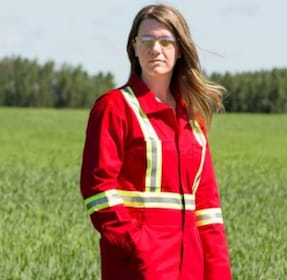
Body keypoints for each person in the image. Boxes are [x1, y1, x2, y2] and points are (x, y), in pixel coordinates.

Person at [79, 4, 231, 280]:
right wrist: (138, 248)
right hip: (136, 269)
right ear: (134, 48)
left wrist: (219, 275)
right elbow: (98, 190)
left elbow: (208, 210)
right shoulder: (114, 108)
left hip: (191, 270)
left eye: (165, 41)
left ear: (180, 49)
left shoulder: (193, 118)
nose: (155, 49)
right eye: (145, 40)